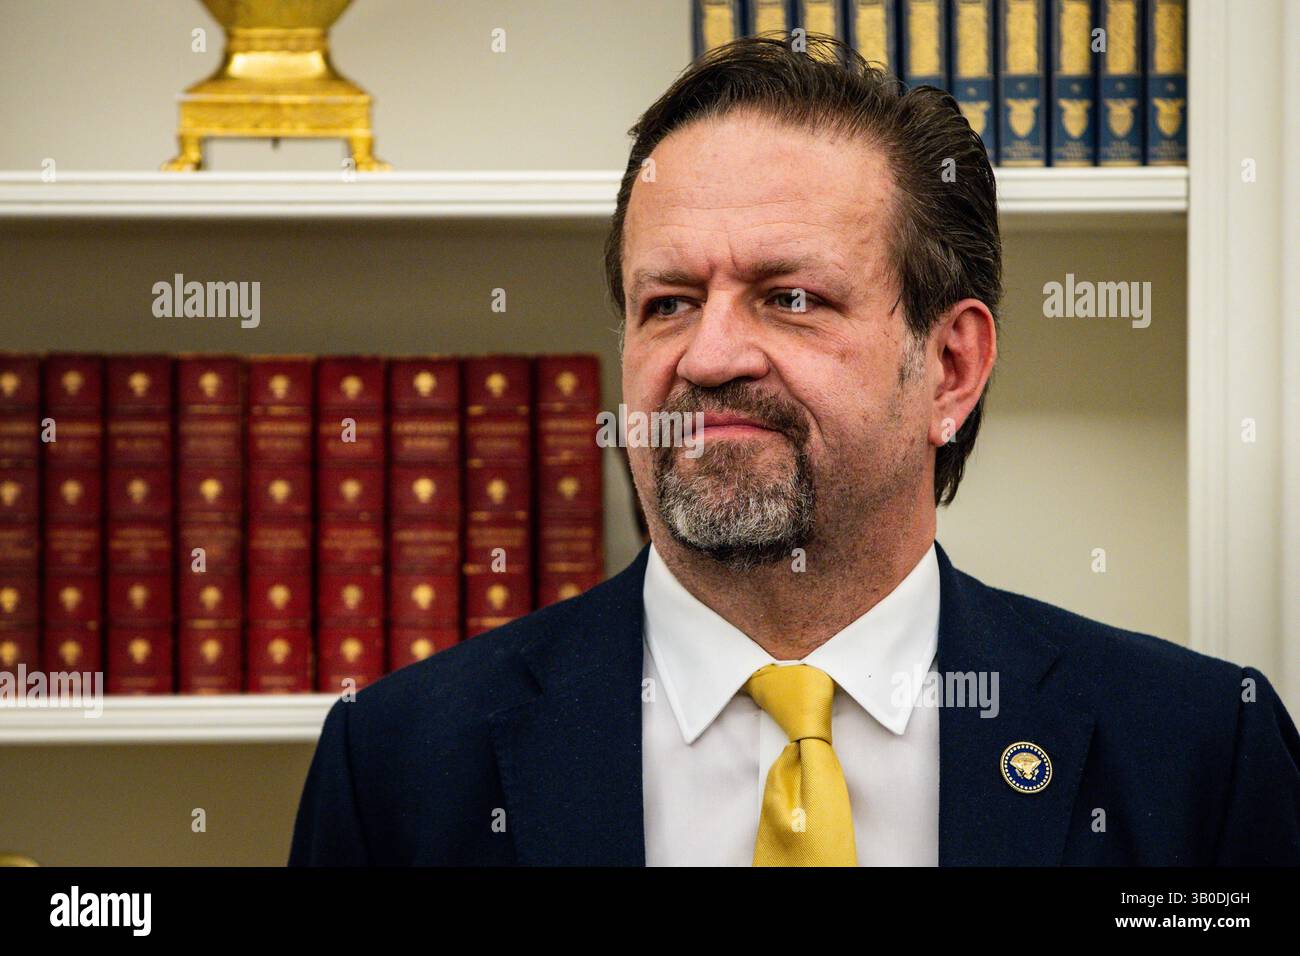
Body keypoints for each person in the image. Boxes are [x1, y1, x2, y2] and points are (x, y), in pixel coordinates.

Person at [289, 36, 1299, 866]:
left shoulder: (1200, 754)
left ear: (950, 366)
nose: (711, 355)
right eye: (668, 303)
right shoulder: (399, 771)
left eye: (791, 298)